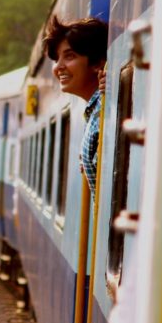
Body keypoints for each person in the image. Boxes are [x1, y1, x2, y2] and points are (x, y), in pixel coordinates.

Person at [41, 15, 109, 201]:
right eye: (57, 59)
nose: (58, 67)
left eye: (69, 56)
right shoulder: (95, 111)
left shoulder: (106, 112)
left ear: (97, 63)